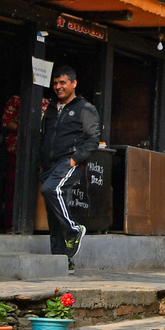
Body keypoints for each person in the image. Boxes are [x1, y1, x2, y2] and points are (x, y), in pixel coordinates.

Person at [39, 65, 101, 272]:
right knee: (54, 211)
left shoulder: (85, 108)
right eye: (55, 83)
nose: (58, 87)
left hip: (69, 161)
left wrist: (75, 159)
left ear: (73, 84)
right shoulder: (50, 108)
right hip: (49, 164)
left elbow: (93, 139)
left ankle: (74, 230)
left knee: (51, 190)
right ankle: (63, 260)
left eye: (63, 82)